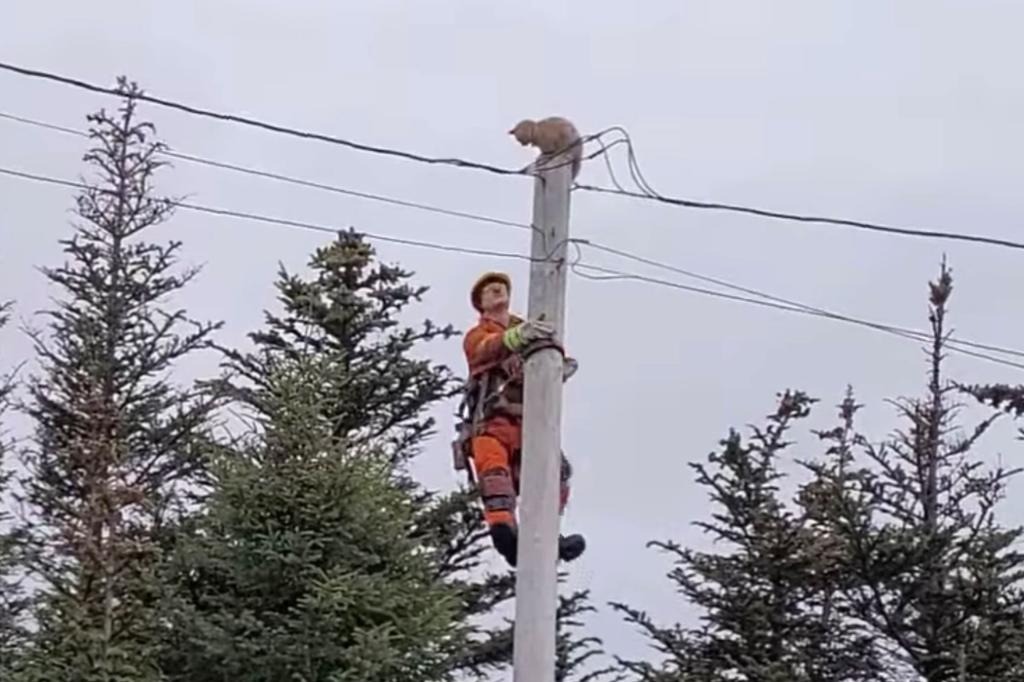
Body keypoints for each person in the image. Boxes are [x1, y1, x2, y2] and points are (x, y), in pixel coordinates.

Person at [459, 271, 586, 568]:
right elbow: (482, 351)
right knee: (495, 475)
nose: (497, 292)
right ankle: (504, 532)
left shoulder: (527, 328)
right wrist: (515, 338)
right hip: (492, 422)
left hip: (529, 423)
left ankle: (548, 536)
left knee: (555, 473)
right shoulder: (480, 334)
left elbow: (549, 350)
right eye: (490, 291)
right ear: (481, 303)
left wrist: (555, 365)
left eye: (500, 288)